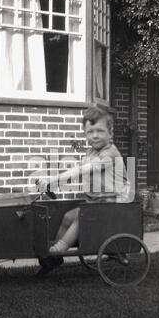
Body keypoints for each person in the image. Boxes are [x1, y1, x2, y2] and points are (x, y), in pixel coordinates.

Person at [36, 105, 131, 277]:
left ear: (110, 133)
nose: (94, 135)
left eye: (100, 131)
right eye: (90, 131)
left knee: (82, 217)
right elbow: (79, 169)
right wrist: (56, 180)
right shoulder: (91, 152)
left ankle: (58, 249)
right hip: (95, 201)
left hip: (112, 204)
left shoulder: (109, 154)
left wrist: (54, 180)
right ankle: (56, 256)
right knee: (68, 216)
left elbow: (83, 170)